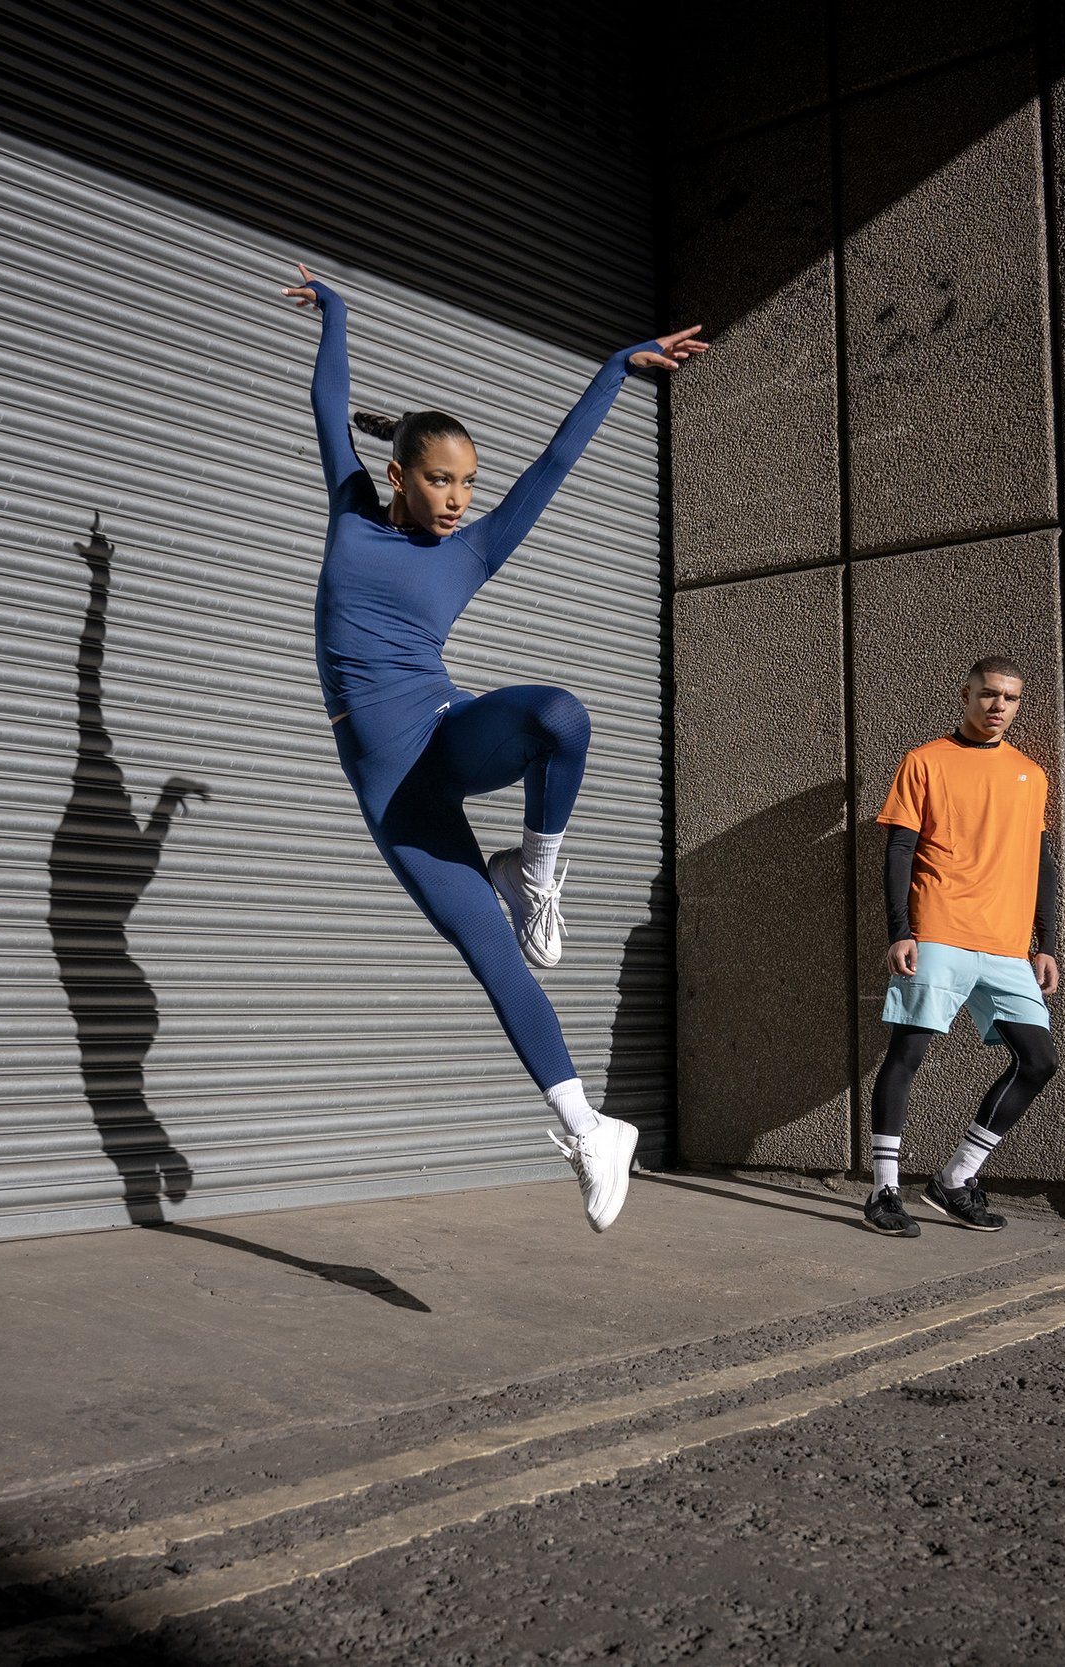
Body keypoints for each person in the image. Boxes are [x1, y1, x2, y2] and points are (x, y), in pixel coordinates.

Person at [279, 263, 706, 1232]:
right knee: (492, 957)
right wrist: (338, 312)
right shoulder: (350, 507)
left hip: (441, 731)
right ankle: (590, 1127)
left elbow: (553, 463)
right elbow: (329, 398)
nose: (459, 497)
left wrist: (614, 367)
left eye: (469, 481)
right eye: (440, 478)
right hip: (391, 790)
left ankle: (539, 869)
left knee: (560, 713)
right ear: (396, 474)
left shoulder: (473, 548)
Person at [861, 655, 1062, 1237]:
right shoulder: (925, 761)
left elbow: (1040, 860)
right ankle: (883, 1192)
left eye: (1011, 698)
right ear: (967, 695)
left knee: (1039, 1060)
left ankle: (955, 1179)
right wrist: (900, 930)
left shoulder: (1031, 774)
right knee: (910, 1051)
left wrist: (1045, 940)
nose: (999, 706)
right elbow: (899, 849)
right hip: (940, 929)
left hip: (1006, 944)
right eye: (989, 694)